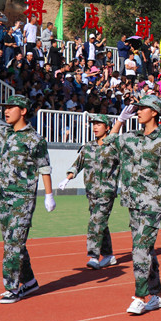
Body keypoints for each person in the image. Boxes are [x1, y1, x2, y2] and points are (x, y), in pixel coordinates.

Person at [0, 95, 55, 304]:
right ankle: (29, 281)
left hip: (23, 197)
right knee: (13, 241)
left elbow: (44, 167)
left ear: (23, 111)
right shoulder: (2, 132)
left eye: (11, 107)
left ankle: (11, 287)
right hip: (3, 196)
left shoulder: (35, 139)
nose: (6, 111)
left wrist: (49, 195)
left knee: (13, 242)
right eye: (5, 108)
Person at [105, 95, 161, 314]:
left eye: (142, 108)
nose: (137, 112)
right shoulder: (131, 137)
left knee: (139, 249)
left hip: (154, 201)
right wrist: (120, 121)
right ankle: (158, 295)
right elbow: (108, 143)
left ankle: (140, 296)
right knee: (146, 249)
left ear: (154, 112)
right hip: (133, 200)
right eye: (137, 109)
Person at [58, 114, 120, 270]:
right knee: (100, 222)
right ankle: (109, 255)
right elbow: (78, 164)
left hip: (107, 191)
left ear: (107, 127)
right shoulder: (88, 146)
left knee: (96, 220)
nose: (95, 127)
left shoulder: (114, 147)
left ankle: (94, 256)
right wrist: (67, 178)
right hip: (91, 191)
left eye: (99, 124)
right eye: (94, 124)